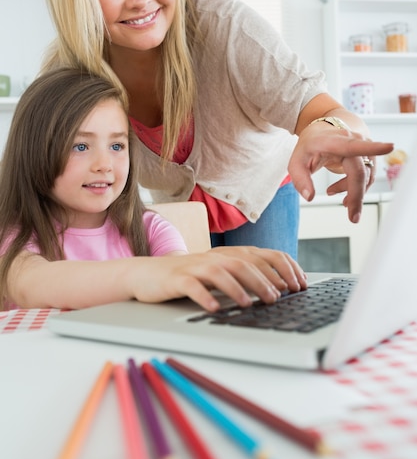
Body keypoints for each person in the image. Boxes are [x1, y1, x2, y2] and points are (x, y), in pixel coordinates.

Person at [41, 0, 394, 260]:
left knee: (264, 310)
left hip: (261, 191)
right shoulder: (67, 76)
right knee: (189, 311)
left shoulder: (225, 26)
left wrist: (329, 130)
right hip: (178, 208)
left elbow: (327, 111)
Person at [0, 68, 307, 313]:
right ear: (34, 152)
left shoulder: (151, 230)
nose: (104, 164)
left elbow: (178, 276)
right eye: (81, 146)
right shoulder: (14, 238)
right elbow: (29, 284)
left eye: (117, 145)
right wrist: (142, 275)